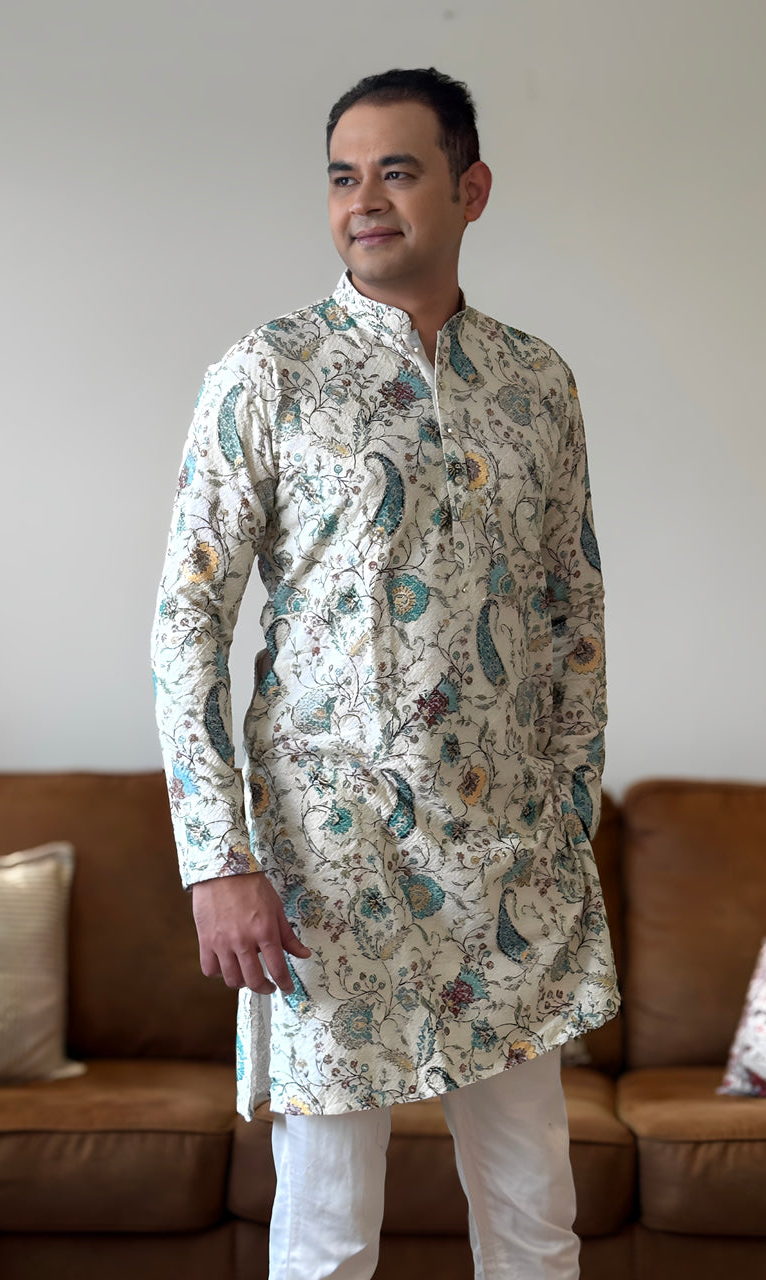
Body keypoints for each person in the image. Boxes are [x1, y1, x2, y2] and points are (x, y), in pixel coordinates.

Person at [151, 66, 619, 1280]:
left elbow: (571, 612)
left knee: (533, 1216)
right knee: (325, 1229)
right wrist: (218, 857)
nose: (363, 200)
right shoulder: (269, 370)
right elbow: (188, 616)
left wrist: (568, 814)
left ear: (471, 189)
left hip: (506, 863)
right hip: (328, 865)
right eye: (342, 176)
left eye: (396, 172)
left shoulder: (536, 382)